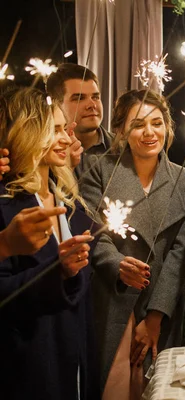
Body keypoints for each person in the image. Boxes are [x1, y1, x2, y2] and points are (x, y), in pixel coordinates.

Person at [79, 89, 185, 399]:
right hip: (112, 296)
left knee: (156, 388)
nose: (149, 132)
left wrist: (156, 315)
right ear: (120, 131)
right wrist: (117, 264)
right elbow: (92, 231)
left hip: (159, 301)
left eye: (157, 123)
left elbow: (181, 249)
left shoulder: (182, 178)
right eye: (138, 124)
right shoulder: (98, 168)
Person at [0, 87, 97, 399]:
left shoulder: (69, 201)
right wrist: (58, 273)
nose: (68, 140)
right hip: (30, 366)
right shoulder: (6, 204)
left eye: (65, 129)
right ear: (27, 133)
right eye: (55, 130)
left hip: (76, 356)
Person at [46, 63, 113, 176]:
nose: (92, 105)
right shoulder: (43, 155)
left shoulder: (125, 149)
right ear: (55, 103)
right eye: (79, 98)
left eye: (95, 97)